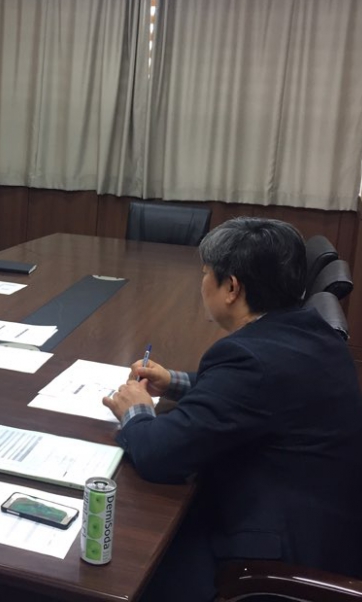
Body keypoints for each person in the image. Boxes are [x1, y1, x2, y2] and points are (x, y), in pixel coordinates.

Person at [103, 217, 362, 602]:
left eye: (205, 274)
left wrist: (136, 411)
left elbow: (160, 455)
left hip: (273, 559)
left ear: (231, 288)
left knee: (125, 556)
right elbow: (257, 394)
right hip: (326, 528)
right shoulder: (309, 329)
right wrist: (175, 382)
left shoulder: (249, 358)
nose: (202, 283)